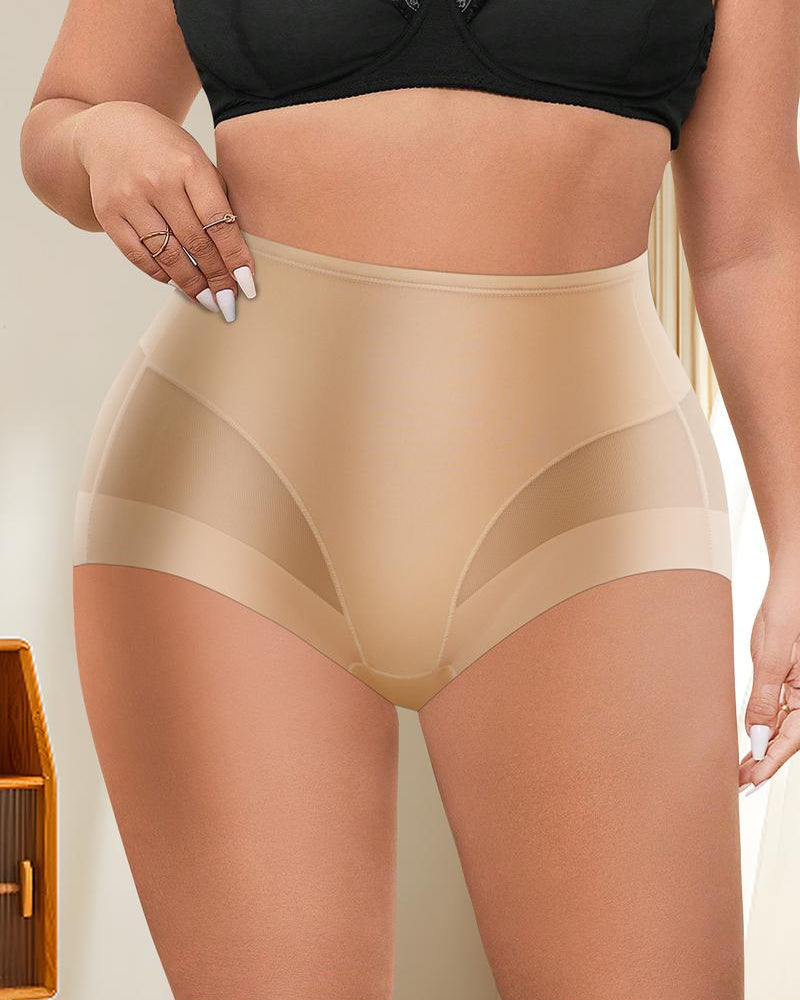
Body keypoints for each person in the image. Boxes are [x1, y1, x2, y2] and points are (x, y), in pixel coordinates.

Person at [19, 0, 799, 996]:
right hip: (228, 488)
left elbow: (751, 244)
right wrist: (103, 138)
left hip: (591, 496)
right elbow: (62, 116)